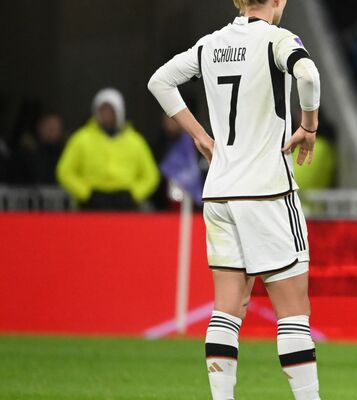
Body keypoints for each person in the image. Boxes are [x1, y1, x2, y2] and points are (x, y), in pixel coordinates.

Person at [147, 0, 322, 399]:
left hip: (221, 191)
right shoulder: (278, 40)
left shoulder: (210, 44)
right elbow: (308, 75)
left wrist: (199, 136)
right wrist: (308, 124)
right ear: (278, 1)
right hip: (267, 191)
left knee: (226, 309)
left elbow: (160, 81)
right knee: (293, 312)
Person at [56, 88, 160, 210]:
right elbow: (64, 171)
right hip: (92, 205)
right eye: (102, 110)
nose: (106, 115)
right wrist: (86, 193)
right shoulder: (81, 138)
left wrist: (133, 194)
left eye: (111, 110)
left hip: (125, 206)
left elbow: (151, 175)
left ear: (119, 112)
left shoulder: (135, 141)